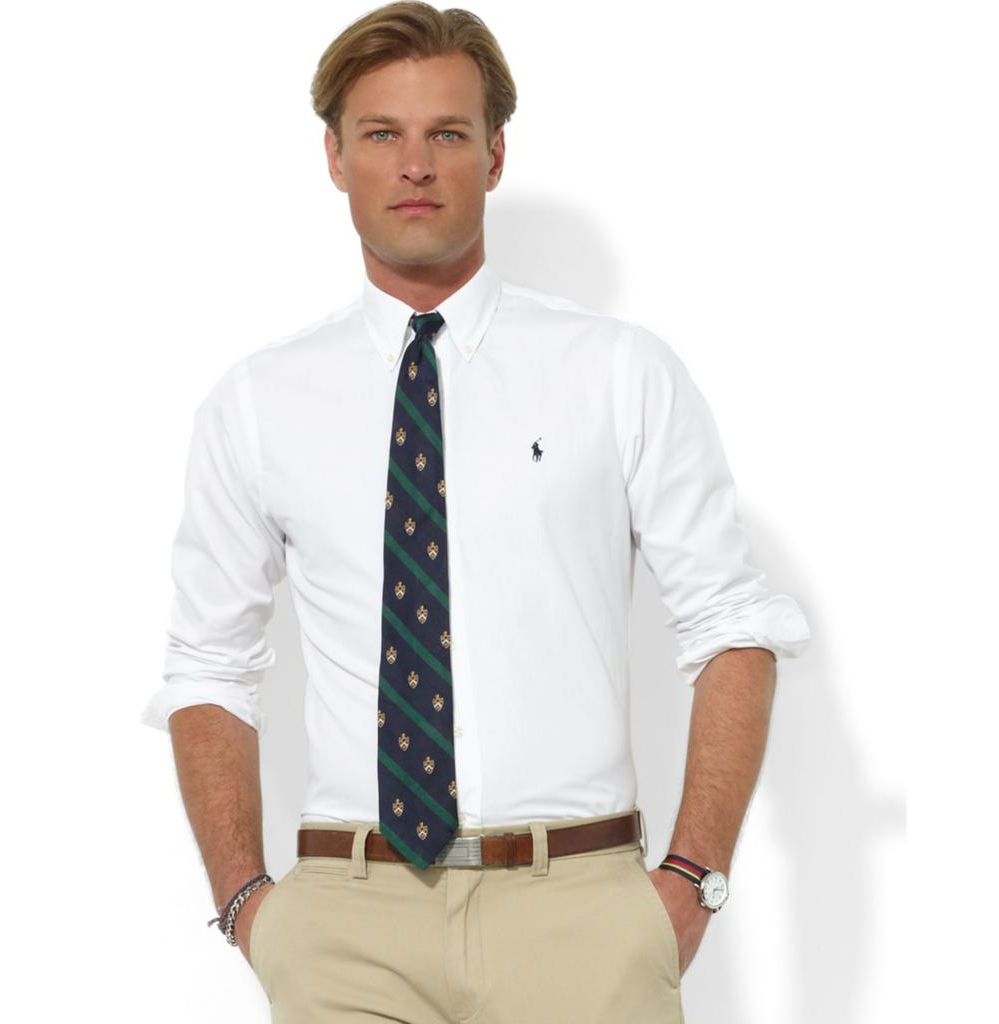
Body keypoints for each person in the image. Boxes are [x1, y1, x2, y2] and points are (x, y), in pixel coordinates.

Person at [141, 3, 811, 1021]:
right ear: (334, 157)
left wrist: (691, 879)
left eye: (447, 133)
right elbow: (207, 666)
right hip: (346, 925)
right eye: (382, 134)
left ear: (495, 155)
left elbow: (732, 627)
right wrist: (248, 905)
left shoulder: (618, 373)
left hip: (580, 914)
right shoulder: (259, 403)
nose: (415, 165)